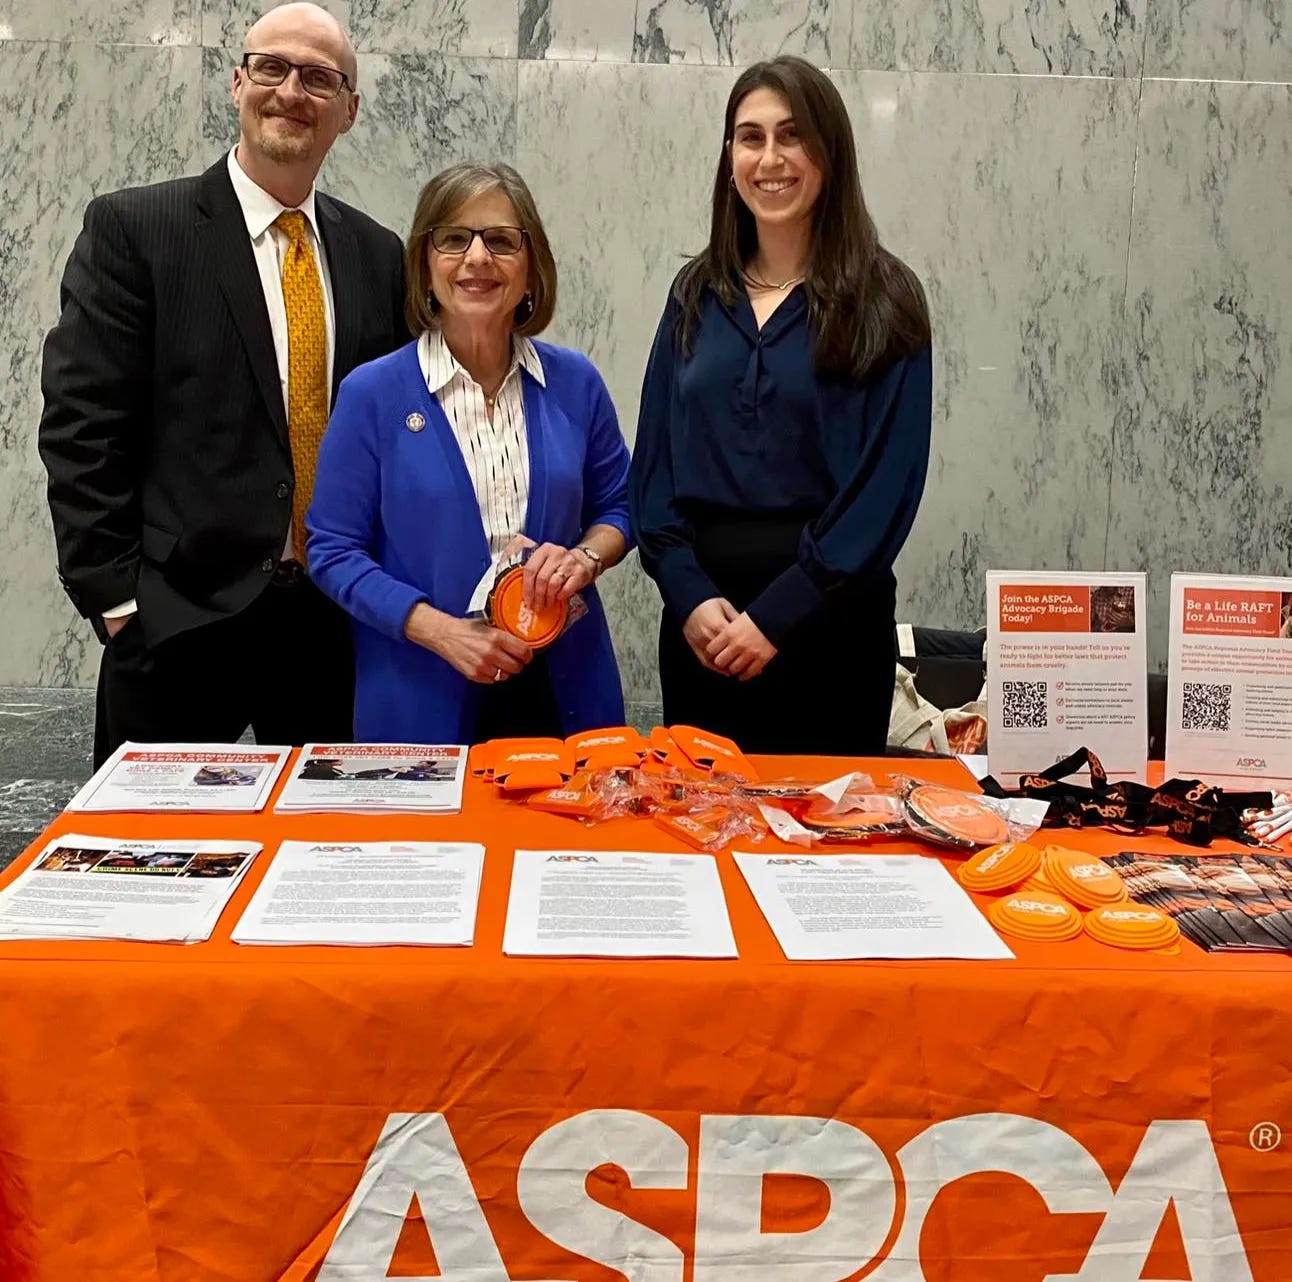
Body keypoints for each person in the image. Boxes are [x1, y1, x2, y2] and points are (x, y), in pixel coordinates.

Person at [38, 3, 408, 767]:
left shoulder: (378, 255)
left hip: (330, 627)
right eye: (271, 67)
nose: (290, 91)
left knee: (324, 838)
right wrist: (118, 601)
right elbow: (83, 426)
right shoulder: (137, 229)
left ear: (349, 110)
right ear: (238, 82)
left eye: (319, 78)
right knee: (152, 840)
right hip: (176, 622)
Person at [630, 56, 933, 755]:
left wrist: (780, 613)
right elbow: (654, 466)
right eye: (751, 137)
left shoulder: (886, 299)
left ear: (830, 151)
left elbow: (886, 487)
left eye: (792, 135)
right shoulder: (695, 293)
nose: (770, 159)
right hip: (704, 629)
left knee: (826, 822)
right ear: (730, 157)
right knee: (701, 816)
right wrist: (686, 592)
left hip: (831, 622)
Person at [307, 162, 632, 744]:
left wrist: (585, 558)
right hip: (421, 694)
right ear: (424, 265)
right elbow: (331, 551)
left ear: (531, 269)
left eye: (502, 241)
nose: (477, 258)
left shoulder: (576, 382)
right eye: (454, 239)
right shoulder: (372, 394)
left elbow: (622, 507)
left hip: (565, 691)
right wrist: (439, 631)